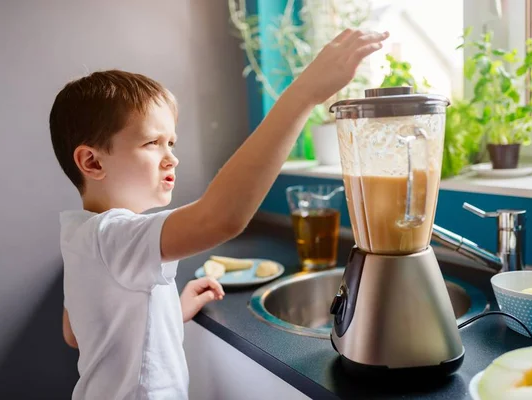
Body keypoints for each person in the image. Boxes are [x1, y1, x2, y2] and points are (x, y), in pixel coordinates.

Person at [51, 28, 389, 399]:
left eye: (171, 142)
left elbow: (76, 332)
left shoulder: (81, 235)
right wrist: (305, 93)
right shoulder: (114, 234)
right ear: (92, 161)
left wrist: (170, 310)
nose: (171, 157)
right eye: (152, 142)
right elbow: (220, 217)